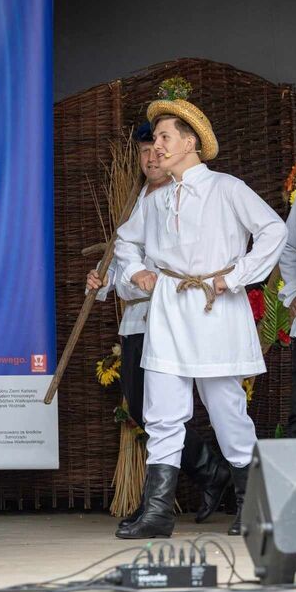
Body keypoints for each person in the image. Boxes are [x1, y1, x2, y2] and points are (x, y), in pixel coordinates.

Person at [113, 85, 285, 537]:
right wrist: (135, 273)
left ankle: (253, 506)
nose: (158, 146)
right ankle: (157, 513)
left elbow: (273, 230)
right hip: (170, 308)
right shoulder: (156, 199)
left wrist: (237, 275)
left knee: (226, 406)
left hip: (215, 307)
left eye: (167, 136)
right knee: (162, 410)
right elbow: (125, 241)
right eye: (156, 138)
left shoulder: (226, 188)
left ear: (191, 142)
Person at [86, 122, 231, 536]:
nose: (152, 156)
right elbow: (120, 257)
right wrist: (100, 281)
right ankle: (208, 474)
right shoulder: (137, 201)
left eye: (158, 146)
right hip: (137, 318)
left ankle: (206, 477)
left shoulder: (186, 196)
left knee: (165, 408)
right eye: (145, 150)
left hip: (173, 315)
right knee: (140, 406)